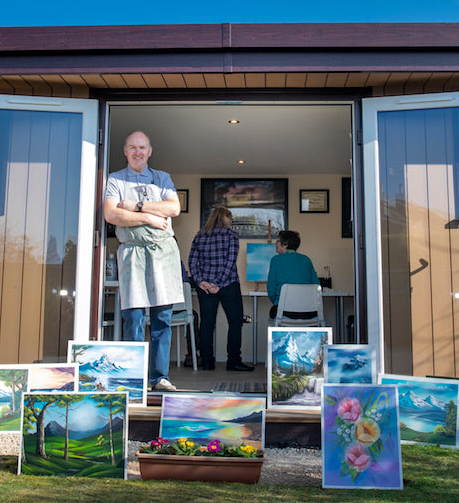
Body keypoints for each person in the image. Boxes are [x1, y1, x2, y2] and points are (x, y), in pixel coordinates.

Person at [104, 131, 183, 392]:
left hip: (163, 254)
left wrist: (135, 206)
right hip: (132, 253)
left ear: (150, 151)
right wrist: (149, 217)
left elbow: (173, 209)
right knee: (134, 318)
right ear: (125, 152)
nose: (138, 152)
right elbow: (112, 215)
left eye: (142, 148)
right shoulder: (114, 179)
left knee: (162, 318)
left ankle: (159, 378)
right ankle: (134, 379)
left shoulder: (162, 178)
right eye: (133, 148)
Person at [188, 206, 254, 372]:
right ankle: (233, 361)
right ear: (224, 218)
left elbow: (192, 262)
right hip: (228, 284)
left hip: (205, 287)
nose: (230, 222)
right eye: (229, 218)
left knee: (207, 324)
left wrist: (201, 281)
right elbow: (230, 262)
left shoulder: (199, 235)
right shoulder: (231, 235)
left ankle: (208, 362)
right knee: (235, 322)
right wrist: (217, 283)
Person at [267, 230, 320, 319]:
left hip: (284, 312)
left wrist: (277, 302)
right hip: (309, 312)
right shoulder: (306, 260)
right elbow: (317, 286)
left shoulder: (276, 260)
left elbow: (271, 289)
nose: (276, 243)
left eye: (278, 240)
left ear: (285, 244)